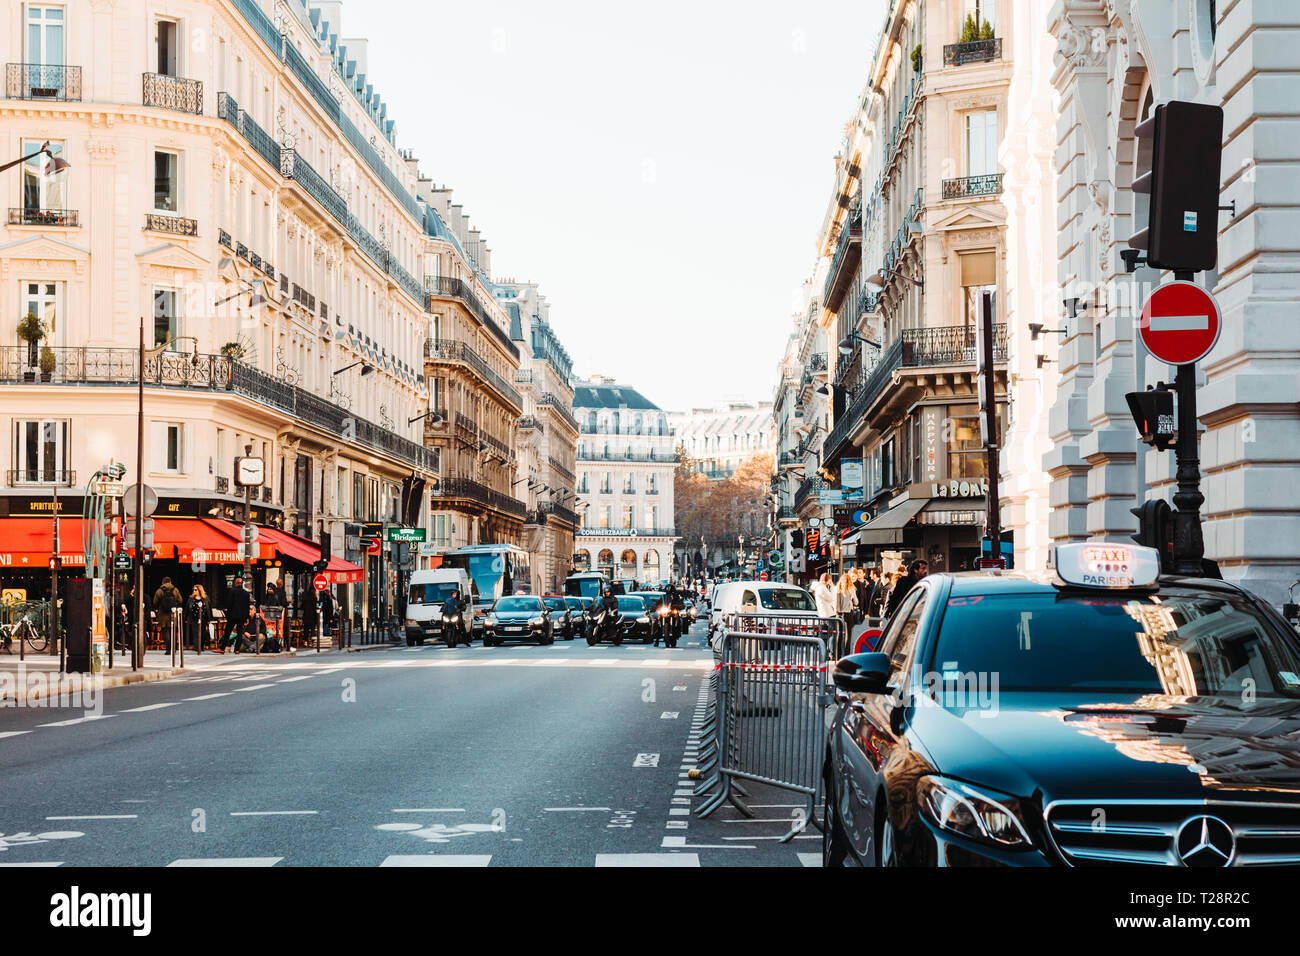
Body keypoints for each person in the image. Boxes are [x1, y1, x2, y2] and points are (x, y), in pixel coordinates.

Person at [220, 578, 251, 653]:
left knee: (228, 632)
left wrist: (227, 612)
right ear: (242, 583)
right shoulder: (246, 593)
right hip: (241, 616)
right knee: (240, 633)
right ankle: (237, 649)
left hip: (232, 615)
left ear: (236, 583)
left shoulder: (232, 591)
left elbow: (229, 603)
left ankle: (222, 648)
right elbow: (247, 606)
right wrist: (247, 617)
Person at [152, 576, 183, 647]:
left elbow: (155, 602)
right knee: (173, 630)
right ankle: (174, 647)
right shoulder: (175, 590)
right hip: (173, 612)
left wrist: (158, 607)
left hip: (163, 613)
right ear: (170, 582)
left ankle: (168, 649)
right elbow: (180, 600)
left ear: (162, 582)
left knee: (165, 630)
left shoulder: (159, 590)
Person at [183, 584, 211, 653]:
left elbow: (209, 608)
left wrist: (210, 618)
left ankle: (201, 646)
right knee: (195, 633)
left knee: (203, 633)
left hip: (203, 618)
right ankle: (196, 647)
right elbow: (187, 608)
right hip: (194, 618)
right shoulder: (191, 598)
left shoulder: (205, 598)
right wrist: (185, 617)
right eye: (193, 589)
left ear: (199, 590)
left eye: (195, 590)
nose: (194, 591)